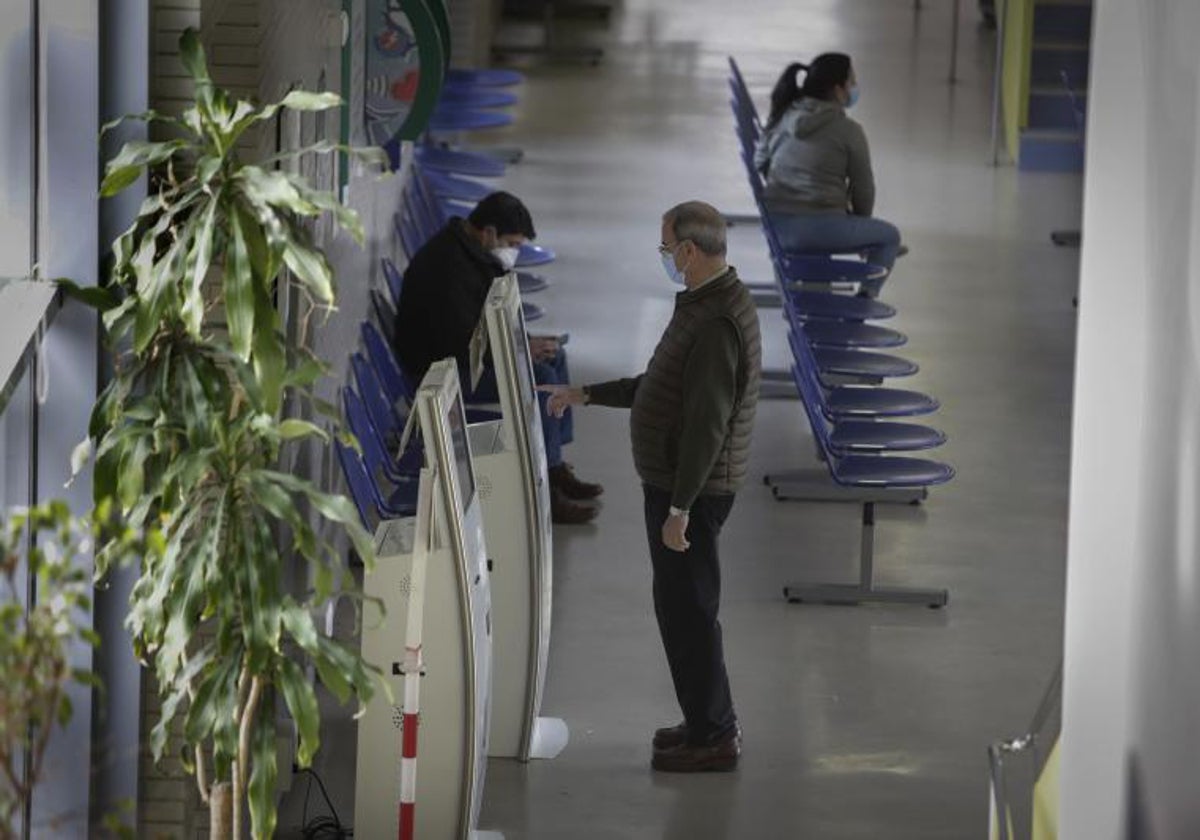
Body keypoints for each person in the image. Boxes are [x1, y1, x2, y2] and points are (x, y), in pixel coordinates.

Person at [542, 201, 762, 772]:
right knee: (681, 609)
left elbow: (707, 426)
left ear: (690, 252)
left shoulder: (716, 323)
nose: (664, 257)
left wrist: (681, 507)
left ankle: (715, 734)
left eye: (667, 248)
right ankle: (703, 718)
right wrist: (586, 394)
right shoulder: (702, 304)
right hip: (677, 487)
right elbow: (661, 386)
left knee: (689, 611)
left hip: (692, 493)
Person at [394, 191, 603, 524]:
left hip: (459, 357)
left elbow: (487, 322)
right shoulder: (448, 268)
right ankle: (548, 487)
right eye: (512, 243)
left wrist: (528, 342)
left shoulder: (474, 255)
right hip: (439, 373)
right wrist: (516, 349)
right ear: (488, 232)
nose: (513, 252)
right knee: (545, 381)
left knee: (555, 358)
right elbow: (460, 344)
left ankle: (555, 465)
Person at [753, 53, 901, 298]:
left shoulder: (786, 114)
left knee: (860, 232)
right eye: (851, 82)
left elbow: (760, 160)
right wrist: (859, 227)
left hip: (775, 222)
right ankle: (863, 302)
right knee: (888, 237)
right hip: (814, 228)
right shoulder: (849, 131)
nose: (854, 88)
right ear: (837, 89)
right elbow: (864, 189)